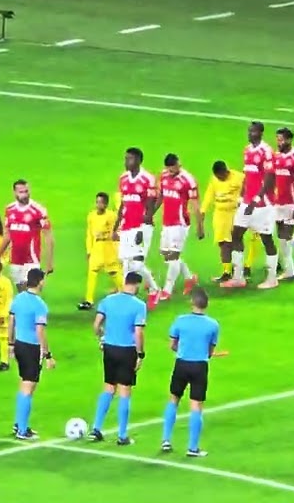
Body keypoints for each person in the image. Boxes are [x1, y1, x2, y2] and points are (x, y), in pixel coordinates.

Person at [160, 286, 220, 457]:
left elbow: (172, 344)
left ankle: (166, 440)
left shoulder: (180, 320)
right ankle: (193, 448)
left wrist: (181, 350)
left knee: (173, 399)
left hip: (181, 364)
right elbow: (210, 351)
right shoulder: (213, 325)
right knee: (196, 406)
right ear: (206, 305)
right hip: (200, 367)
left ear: (191, 303)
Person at [90, 271, 147, 445]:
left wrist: (101, 338)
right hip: (127, 351)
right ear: (136, 285)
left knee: (108, 387)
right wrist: (140, 353)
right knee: (124, 391)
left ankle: (96, 429)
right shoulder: (139, 305)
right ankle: (122, 435)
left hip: (109, 349)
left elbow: (96, 325)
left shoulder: (108, 300)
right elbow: (138, 332)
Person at [222, 122, 277, 289]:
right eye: (249, 131)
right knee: (236, 234)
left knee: (266, 239)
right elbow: (248, 175)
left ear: (260, 133)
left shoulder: (266, 151)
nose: (250, 133)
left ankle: (272, 278)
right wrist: (242, 195)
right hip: (247, 202)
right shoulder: (247, 150)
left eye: (253, 131)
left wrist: (257, 198)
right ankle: (238, 277)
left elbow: (269, 177)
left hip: (263, 205)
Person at [9, 268, 54, 440]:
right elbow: (40, 331)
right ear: (41, 281)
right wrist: (47, 354)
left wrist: (10, 344)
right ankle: (22, 430)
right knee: (29, 387)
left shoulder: (18, 299)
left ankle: (19, 423)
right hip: (31, 348)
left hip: (19, 344)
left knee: (24, 385)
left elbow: (11, 321)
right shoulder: (40, 305)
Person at [115, 148, 161, 306]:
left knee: (136, 263)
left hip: (141, 227)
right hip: (126, 225)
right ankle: (128, 292)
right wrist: (116, 227)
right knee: (124, 261)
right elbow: (123, 204)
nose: (126, 162)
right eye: (125, 158)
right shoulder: (123, 178)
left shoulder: (148, 179)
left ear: (139, 160)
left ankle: (155, 289)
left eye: (130, 159)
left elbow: (150, 205)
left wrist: (142, 228)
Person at [263, 128, 294, 288]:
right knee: (283, 237)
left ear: (289, 140)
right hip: (278, 202)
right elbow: (272, 178)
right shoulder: (276, 156)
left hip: (292, 202)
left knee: (285, 236)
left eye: (281, 140)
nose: (278, 142)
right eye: (277, 139)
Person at [158, 154, 203, 301]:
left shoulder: (188, 180)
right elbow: (161, 196)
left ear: (178, 164)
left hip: (180, 223)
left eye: (174, 168)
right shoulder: (164, 176)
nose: (171, 172)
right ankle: (190, 278)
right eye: (169, 169)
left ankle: (167, 290)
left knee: (174, 256)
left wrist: (200, 226)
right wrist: (150, 212)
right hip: (167, 222)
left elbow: (196, 204)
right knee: (166, 254)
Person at [0, 179, 55, 287]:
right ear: (14, 192)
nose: (25, 195)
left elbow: (48, 236)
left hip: (31, 260)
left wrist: (49, 262)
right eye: (21, 192)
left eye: (26, 191)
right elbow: (7, 236)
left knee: (32, 291)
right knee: (21, 292)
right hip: (15, 259)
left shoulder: (38, 210)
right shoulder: (9, 209)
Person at [202, 161, 245, 282]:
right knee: (222, 243)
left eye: (221, 176)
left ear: (226, 171)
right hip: (220, 214)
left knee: (235, 241)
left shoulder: (239, 177)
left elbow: (249, 189)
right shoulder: (214, 179)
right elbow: (209, 194)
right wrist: (203, 210)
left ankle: (240, 270)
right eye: (217, 176)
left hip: (234, 213)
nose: (219, 178)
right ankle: (227, 271)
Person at [81, 192, 122, 310]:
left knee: (113, 272)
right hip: (97, 247)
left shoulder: (111, 216)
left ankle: (125, 291)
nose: (98, 205)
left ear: (106, 204)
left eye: (101, 203)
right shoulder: (91, 216)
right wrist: (89, 250)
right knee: (92, 272)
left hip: (108, 246)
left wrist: (116, 246)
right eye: (97, 202)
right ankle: (89, 300)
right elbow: (89, 234)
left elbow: (116, 232)